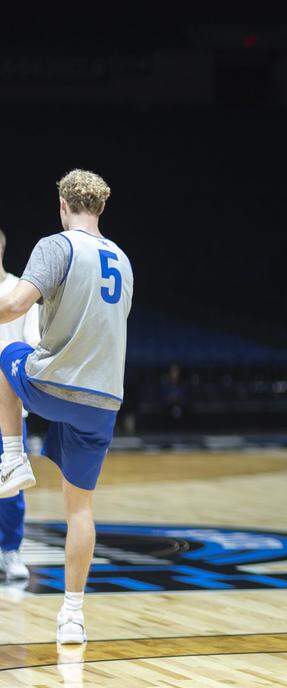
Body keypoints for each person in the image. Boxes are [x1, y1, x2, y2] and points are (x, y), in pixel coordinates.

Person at [0, 169, 134, 643]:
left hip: (54, 384)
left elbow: (16, 305)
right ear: (101, 208)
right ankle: (73, 616)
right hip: (103, 399)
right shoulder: (123, 258)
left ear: (62, 204)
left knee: (6, 355)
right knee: (80, 508)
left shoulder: (56, 246)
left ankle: (12, 458)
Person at [0, 227, 40, 582]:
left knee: (10, 487)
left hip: (8, 412)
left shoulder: (19, 292)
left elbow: (33, 345)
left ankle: (9, 551)